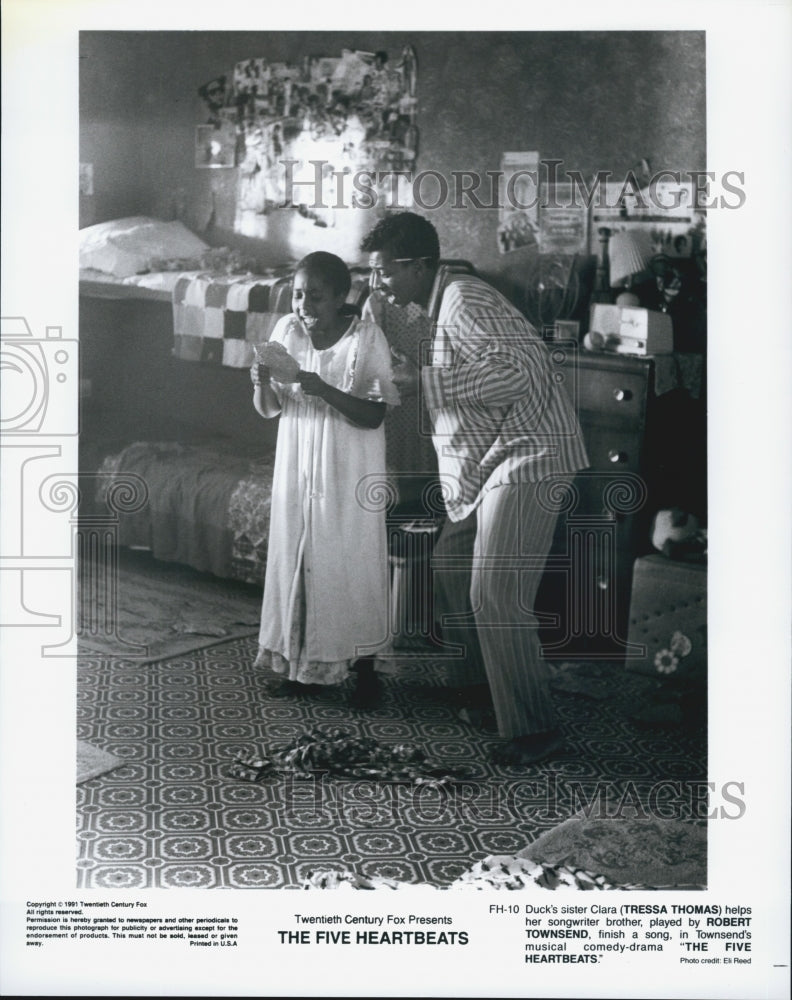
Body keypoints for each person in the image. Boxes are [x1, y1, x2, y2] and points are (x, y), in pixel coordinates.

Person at [360, 212, 590, 764]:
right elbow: (455, 386)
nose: (379, 284)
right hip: (493, 463)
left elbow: (515, 375)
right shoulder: (438, 307)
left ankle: (534, 730)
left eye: (384, 272)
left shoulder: (465, 299)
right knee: (451, 561)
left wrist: (427, 380)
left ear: (417, 266)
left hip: (531, 455)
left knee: (496, 595)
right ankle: (483, 691)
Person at [251, 251, 400, 708]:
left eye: (315, 295)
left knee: (352, 560)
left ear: (341, 297)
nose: (303, 305)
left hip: (347, 468)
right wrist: (260, 382)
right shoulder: (286, 334)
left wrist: (325, 390)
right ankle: (299, 664)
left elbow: (375, 414)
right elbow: (270, 410)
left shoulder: (366, 339)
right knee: (295, 554)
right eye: (297, 294)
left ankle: (366, 671)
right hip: (297, 466)